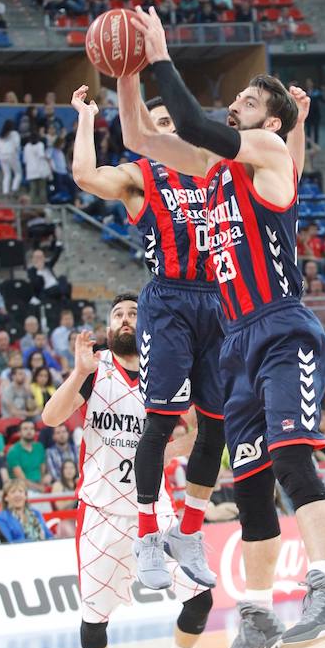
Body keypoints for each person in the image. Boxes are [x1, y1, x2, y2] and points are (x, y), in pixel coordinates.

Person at [129, 5, 325, 648]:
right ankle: (257, 618)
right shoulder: (215, 170)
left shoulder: (261, 153)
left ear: (272, 121)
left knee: (292, 462)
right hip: (235, 341)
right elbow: (145, 139)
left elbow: (200, 124)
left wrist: (159, 55)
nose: (234, 102)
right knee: (254, 486)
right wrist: (123, 76)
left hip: (281, 327)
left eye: (248, 97)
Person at [70, 85, 229, 592]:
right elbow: (84, 176)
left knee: (218, 425)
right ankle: (146, 536)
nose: (168, 130)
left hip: (218, 300)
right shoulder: (142, 174)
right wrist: (84, 118)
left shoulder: (214, 171)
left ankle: (188, 532)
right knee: (160, 421)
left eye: (173, 123)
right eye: (157, 123)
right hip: (168, 301)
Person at [42, 297, 212, 648]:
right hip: (101, 513)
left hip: (156, 507)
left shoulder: (167, 369)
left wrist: (168, 449)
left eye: (133, 313)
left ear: (147, 321)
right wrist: (78, 372)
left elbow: (196, 431)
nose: (124, 320)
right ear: (107, 325)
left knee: (201, 597)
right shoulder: (95, 369)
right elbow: (50, 417)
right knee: (94, 620)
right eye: (117, 314)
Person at [6, 419, 50, 491]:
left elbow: (42, 471)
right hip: (22, 489)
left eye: (32, 429)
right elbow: (22, 480)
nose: (29, 431)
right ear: (19, 432)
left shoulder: (39, 447)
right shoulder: (13, 451)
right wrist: (41, 489)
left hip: (40, 485)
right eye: (25, 429)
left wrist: (43, 484)